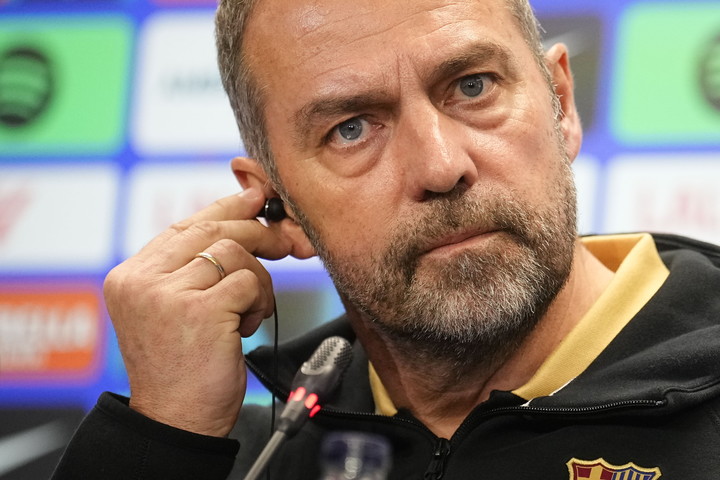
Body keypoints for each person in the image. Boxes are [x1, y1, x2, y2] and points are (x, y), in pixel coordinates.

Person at [53, 0, 720, 478]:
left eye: (473, 86)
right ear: (279, 205)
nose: (441, 167)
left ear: (562, 106)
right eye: (351, 128)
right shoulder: (243, 457)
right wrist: (159, 438)